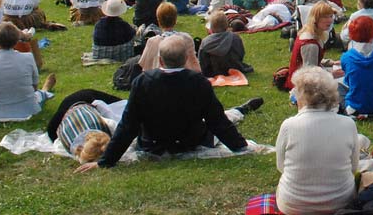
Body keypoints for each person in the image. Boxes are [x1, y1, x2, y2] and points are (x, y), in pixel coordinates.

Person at [78, 36, 258, 171]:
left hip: (154, 143)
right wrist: (240, 146)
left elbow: (128, 126)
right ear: (186, 58)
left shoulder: (143, 82)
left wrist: (106, 161)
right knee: (226, 116)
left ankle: (241, 110)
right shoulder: (197, 81)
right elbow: (217, 121)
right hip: (190, 141)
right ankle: (241, 110)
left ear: (161, 60)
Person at [275, 67, 360, 215]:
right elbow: (353, 167)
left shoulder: (289, 126)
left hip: (293, 206)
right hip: (341, 202)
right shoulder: (348, 124)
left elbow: (281, 166)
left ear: (301, 97)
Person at [0, 22, 56, 122]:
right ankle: (45, 90)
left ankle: (45, 90)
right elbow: (34, 87)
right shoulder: (28, 58)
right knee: (39, 94)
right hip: (27, 110)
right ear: (16, 42)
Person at [286, 1, 336, 90]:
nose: (330, 20)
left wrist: (331, 63)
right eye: (325, 17)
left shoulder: (311, 32)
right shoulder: (310, 43)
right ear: (315, 19)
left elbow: (312, 60)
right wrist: (332, 75)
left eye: (331, 16)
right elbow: (310, 74)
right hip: (301, 85)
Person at [139, 3, 200, 73]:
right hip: (185, 78)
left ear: (158, 21)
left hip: (159, 80)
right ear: (175, 20)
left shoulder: (152, 42)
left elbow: (145, 67)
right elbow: (194, 64)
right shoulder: (186, 39)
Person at [198, 11, 253, 78]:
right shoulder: (235, 38)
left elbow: (202, 61)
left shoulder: (205, 41)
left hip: (213, 72)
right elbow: (241, 54)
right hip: (234, 67)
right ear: (227, 25)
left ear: (211, 27)